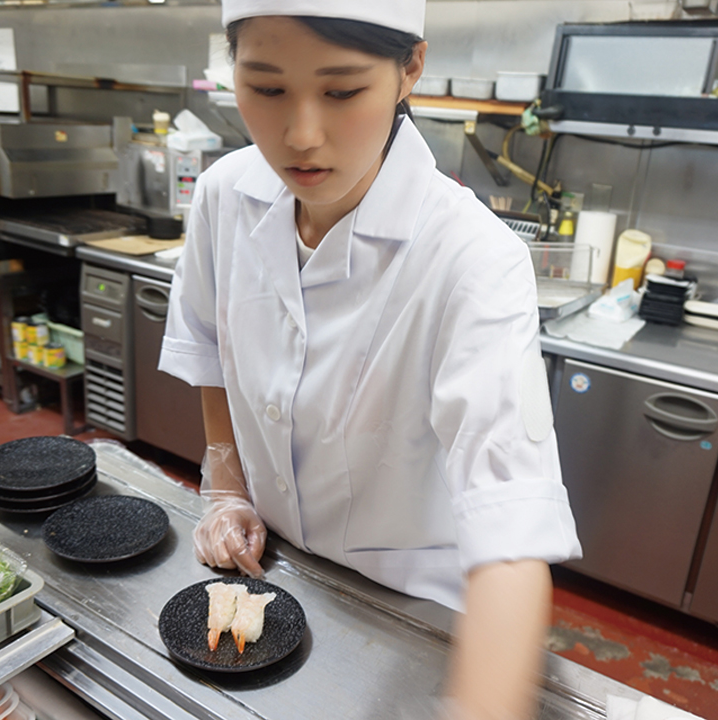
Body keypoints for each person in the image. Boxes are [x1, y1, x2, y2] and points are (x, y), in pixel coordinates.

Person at [159, 1, 582, 717]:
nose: (300, 135)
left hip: (414, 605)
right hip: (281, 572)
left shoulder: (474, 260)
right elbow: (209, 344)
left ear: (409, 68)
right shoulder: (227, 194)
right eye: (265, 88)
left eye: (343, 91)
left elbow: (509, 520)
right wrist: (225, 482)